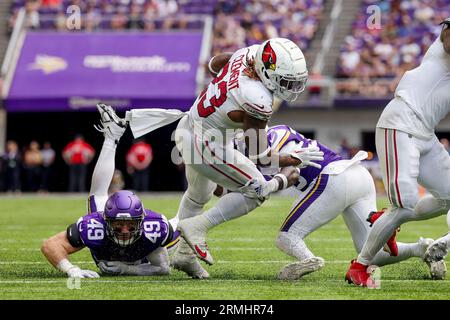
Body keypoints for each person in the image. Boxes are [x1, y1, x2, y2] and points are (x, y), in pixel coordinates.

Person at [104, 38, 323, 278]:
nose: (289, 88)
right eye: (285, 81)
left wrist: (230, 86)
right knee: (257, 189)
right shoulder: (258, 97)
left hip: (189, 127)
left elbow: (214, 63)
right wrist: (293, 158)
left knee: (198, 196)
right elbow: (260, 155)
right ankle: (198, 227)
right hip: (206, 144)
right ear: (266, 71)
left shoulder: (248, 54)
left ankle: (184, 257)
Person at [254, 125, 441, 280]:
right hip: (358, 175)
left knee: (286, 237)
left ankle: (309, 259)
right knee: (372, 252)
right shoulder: (266, 138)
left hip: (334, 177)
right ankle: (422, 248)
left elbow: (267, 164)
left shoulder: (271, 134)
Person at [345, 18, 450, 286]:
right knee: (404, 204)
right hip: (401, 122)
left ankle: (388, 220)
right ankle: (360, 265)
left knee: (447, 197)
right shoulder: (443, 45)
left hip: (425, 133)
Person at [41, 105, 177, 278]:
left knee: (186, 220)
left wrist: (128, 269)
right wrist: (71, 270)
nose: (125, 230)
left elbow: (163, 269)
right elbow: (50, 245)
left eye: (130, 224)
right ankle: (111, 137)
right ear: (105, 220)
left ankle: (111, 137)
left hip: (148, 252)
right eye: (118, 224)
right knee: (97, 195)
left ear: (142, 221)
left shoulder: (155, 228)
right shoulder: (95, 226)